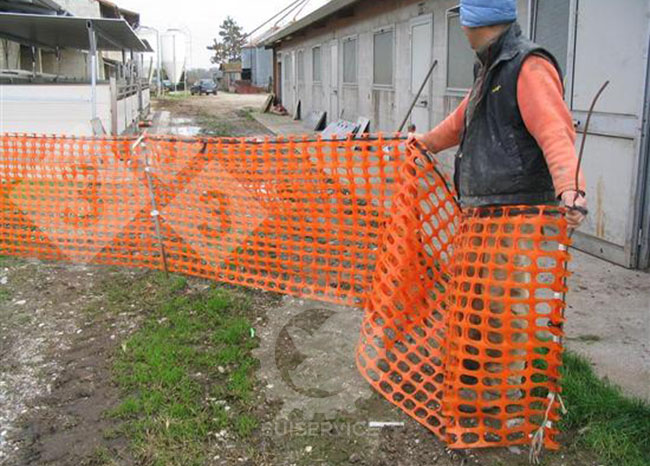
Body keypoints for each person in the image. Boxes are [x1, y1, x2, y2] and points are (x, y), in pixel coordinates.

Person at [412, 0, 587, 227]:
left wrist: (570, 187)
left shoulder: (527, 64)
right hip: (484, 210)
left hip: (518, 215)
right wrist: (425, 143)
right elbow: (463, 118)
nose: (462, 28)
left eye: (464, 20)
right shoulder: (490, 66)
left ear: (476, 21)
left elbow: (554, 132)